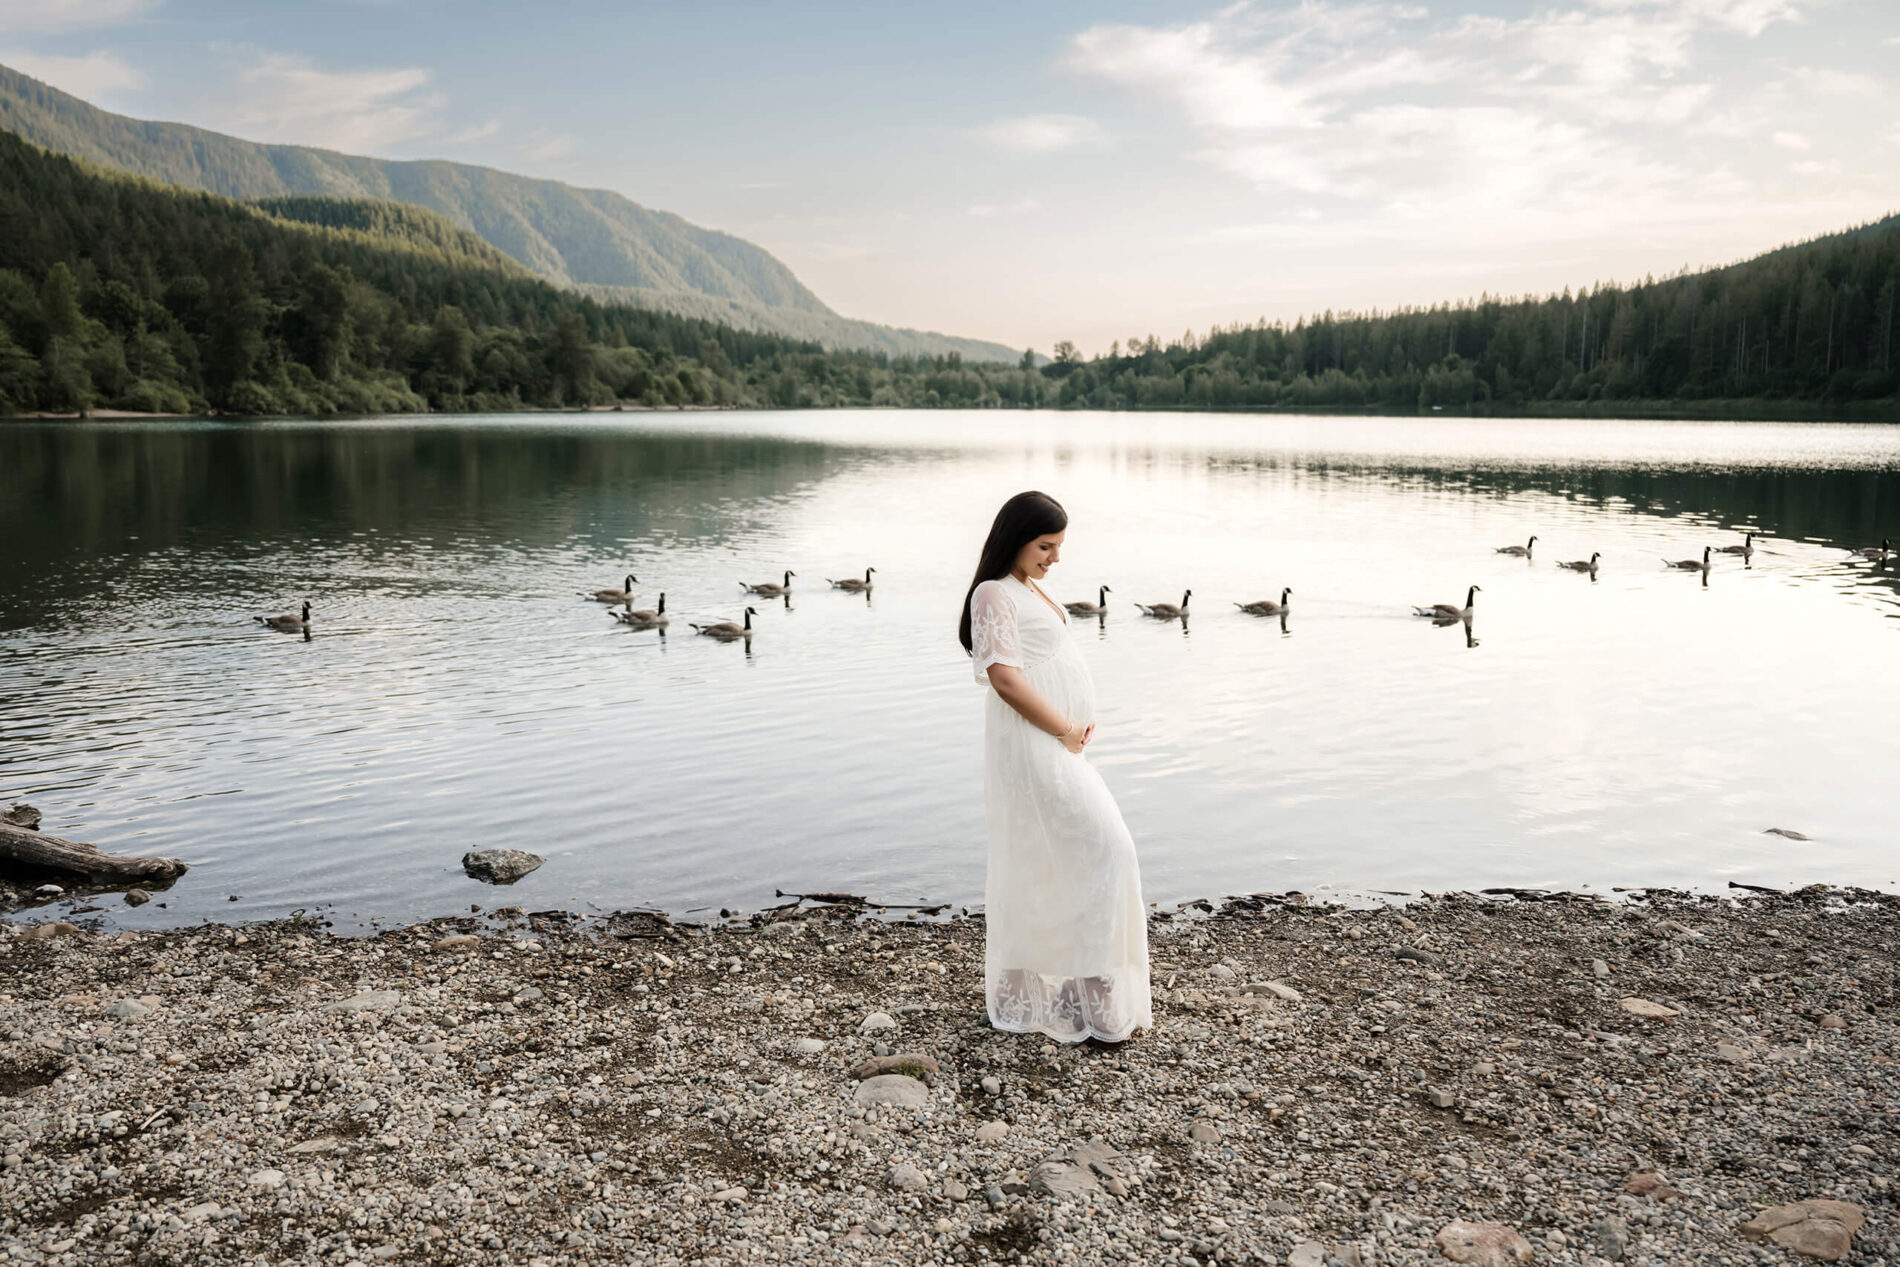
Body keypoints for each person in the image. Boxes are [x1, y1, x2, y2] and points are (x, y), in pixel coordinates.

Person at [958, 490, 1152, 1043]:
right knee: (1106, 850)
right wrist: (1065, 727)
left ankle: (1072, 985)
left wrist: (1075, 727)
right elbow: (1005, 677)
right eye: (1046, 545)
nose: (1056, 557)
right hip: (1034, 743)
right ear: (1015, 539)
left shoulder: (1025, 587)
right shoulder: (993, 593)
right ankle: (1080, 989)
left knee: (1068, 855)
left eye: (1060, 546)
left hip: (1057, 743)